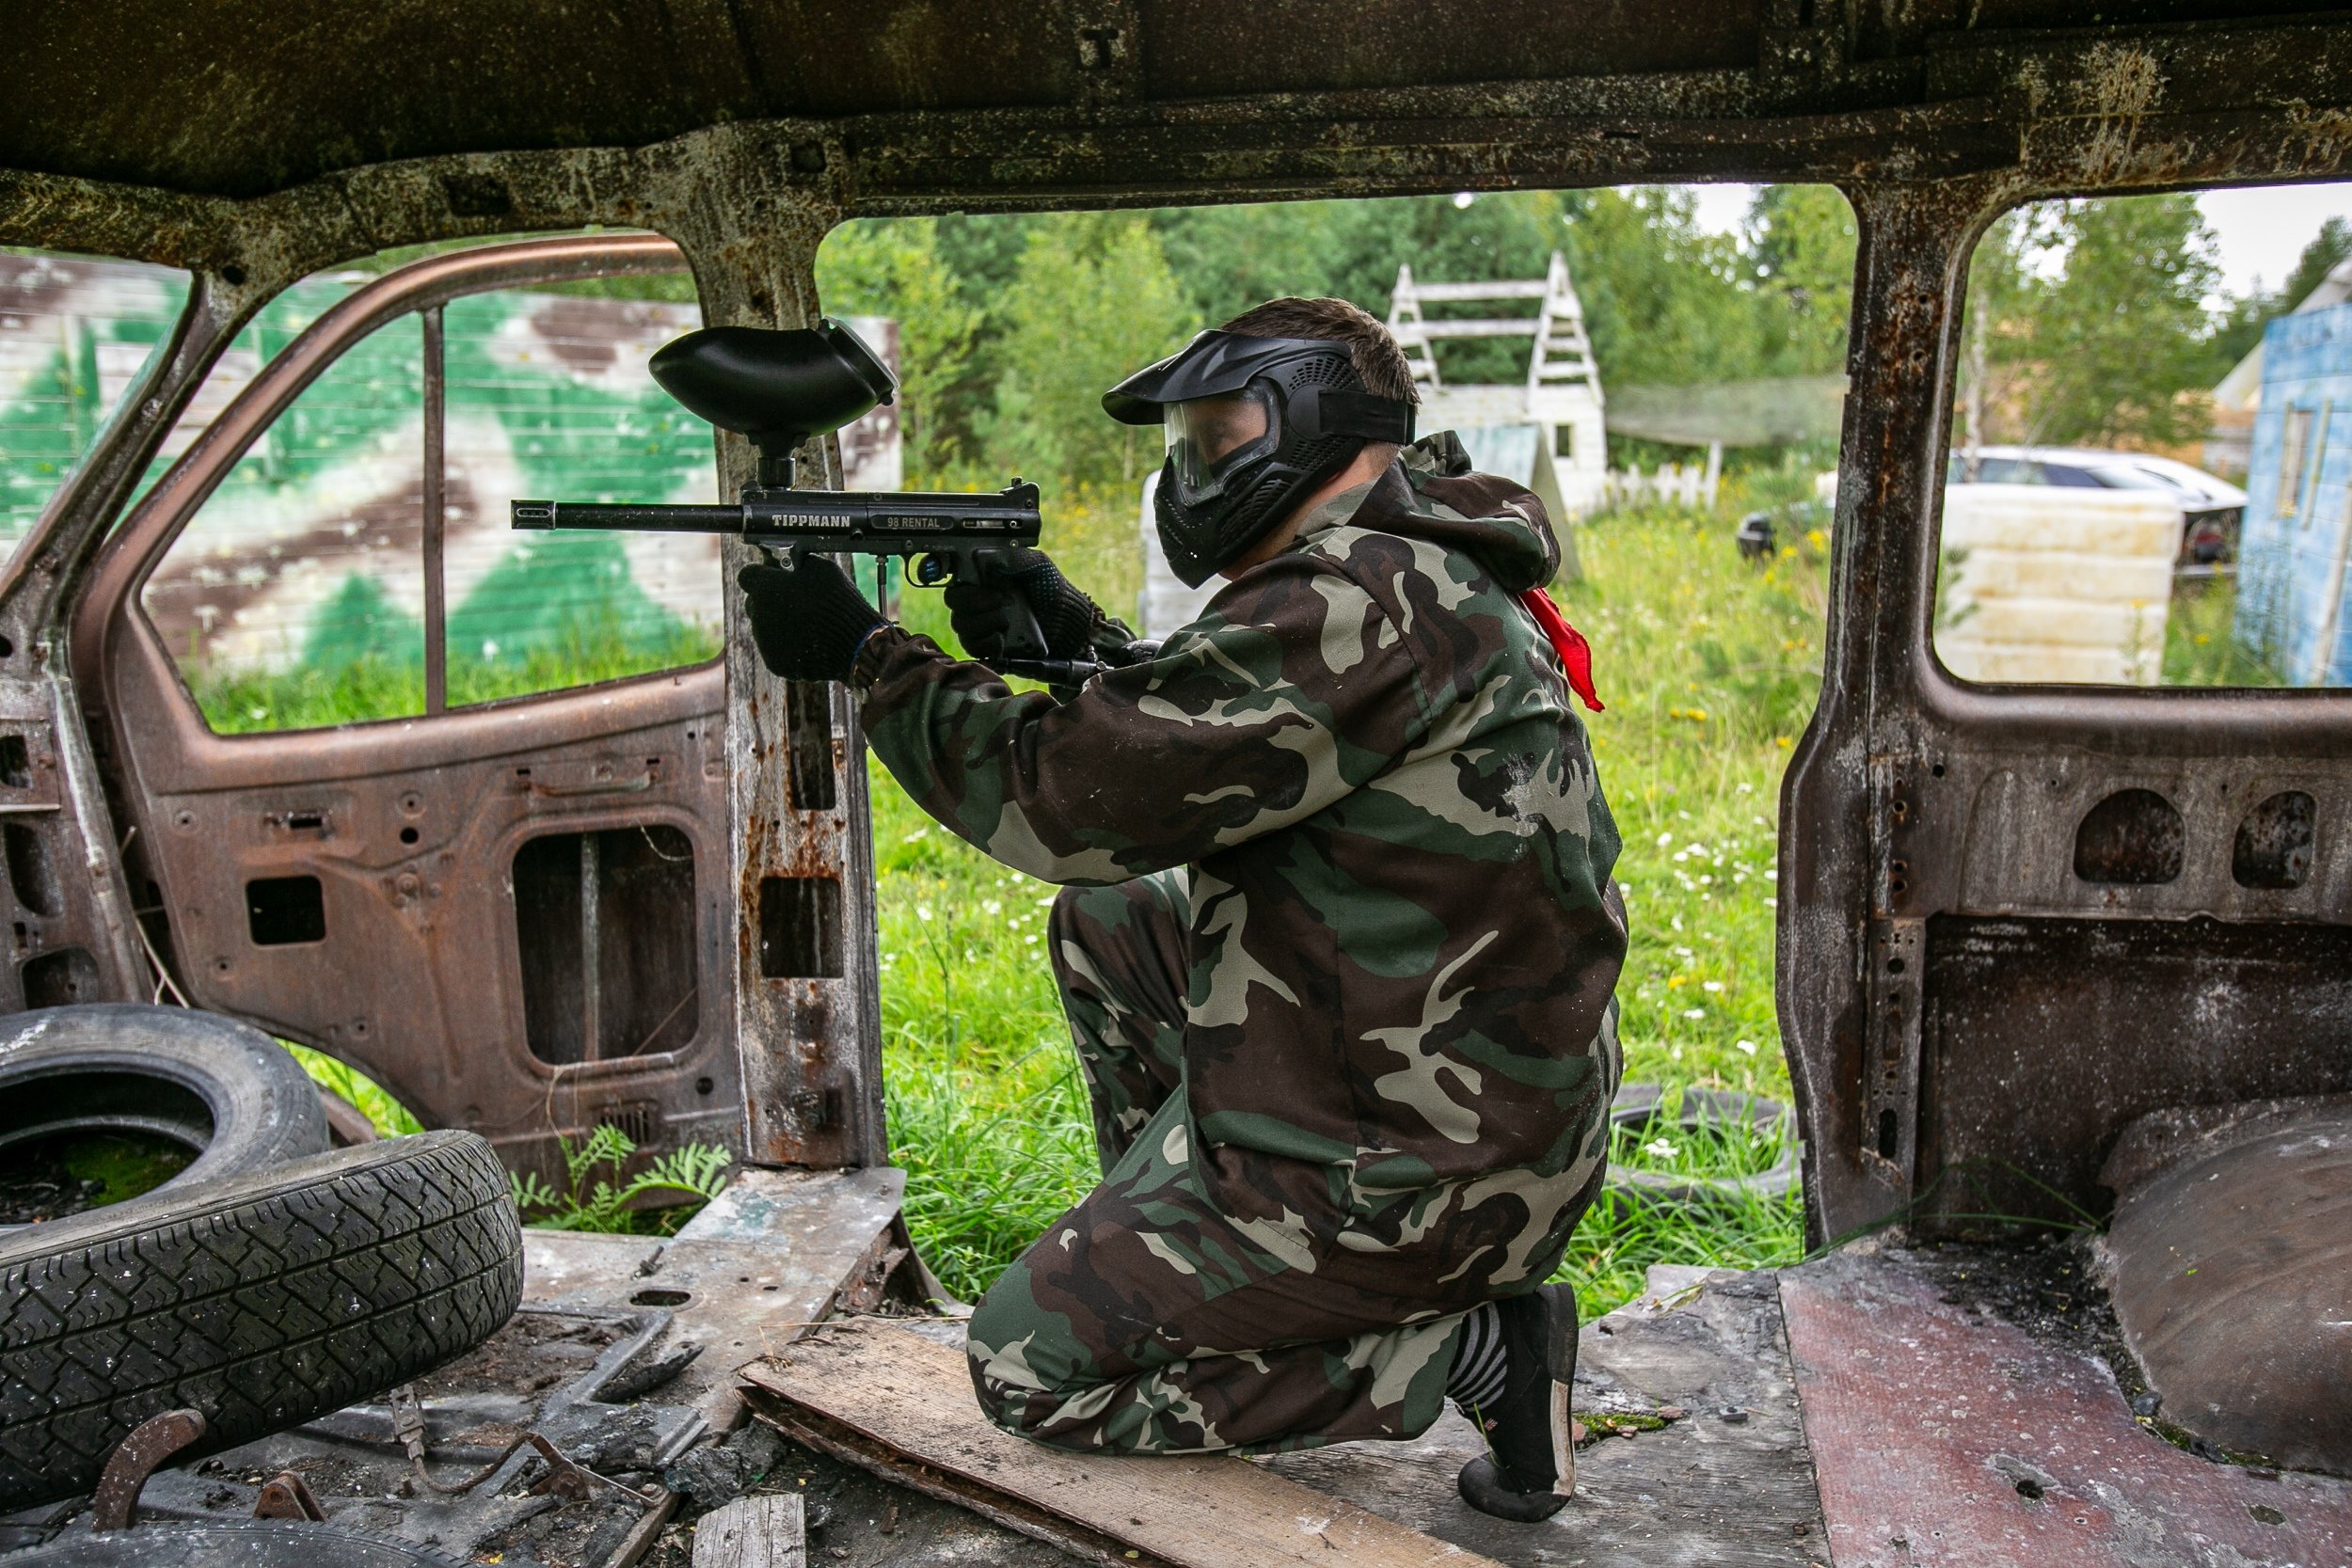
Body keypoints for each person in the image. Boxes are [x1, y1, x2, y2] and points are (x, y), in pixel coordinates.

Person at [737, 296, 1625, 1522]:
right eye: (1190, 439)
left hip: (1424, 1177)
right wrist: (1070, 641)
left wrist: (868, 657)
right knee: (1118, 926)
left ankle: (1471, 1352)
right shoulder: (1407, 565)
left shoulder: (1359, 597)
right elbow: (1231, 737)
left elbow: (1066, 800)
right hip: (1472, 1110)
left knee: (1026, 1371)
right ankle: (1215, 1260)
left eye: (1221, 432)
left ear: (1314, 422)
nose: (1195, 465)